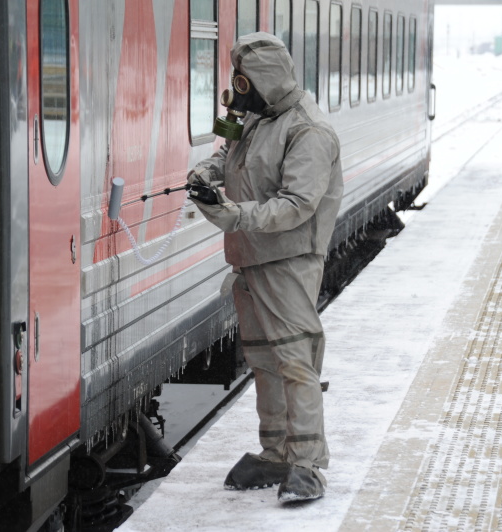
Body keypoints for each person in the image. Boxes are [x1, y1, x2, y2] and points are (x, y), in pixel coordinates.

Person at [187, 32, 343, 503]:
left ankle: (307, 464)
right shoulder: (256, 118)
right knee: (264, 361)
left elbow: (295, 204)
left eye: (245, 82)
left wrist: (234, 214)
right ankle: (275, 452)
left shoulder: (308, 131)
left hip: (288, 263)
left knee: (296, 361)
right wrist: (208, 175)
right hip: (251, 259)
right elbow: (228, 153)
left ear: (266, 80)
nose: (238, 94)